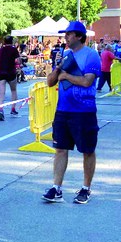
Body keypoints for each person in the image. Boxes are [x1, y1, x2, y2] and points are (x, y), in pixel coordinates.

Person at [42, 21, 101, 205]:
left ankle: (85, 188)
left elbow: (87, 81)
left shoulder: (91, 55)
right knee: (60, 149)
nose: (65, 37)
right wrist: (58, 67)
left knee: (87, 150)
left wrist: (66, 76)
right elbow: (50, 82)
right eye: (65, 34)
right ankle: (56, 188)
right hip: (63, 110)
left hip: (84, 111)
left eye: (69, 34)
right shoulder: (65, 55)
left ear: (79, 36)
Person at [0, 35, 20, 121]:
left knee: (1, 93)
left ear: (4, 42)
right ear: (12, 42)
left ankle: (1, 110)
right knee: (13, 90)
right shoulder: (14, 50)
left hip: (1, 72)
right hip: (11, 72)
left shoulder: (0, 50)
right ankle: (13, 109)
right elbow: (18, 61)